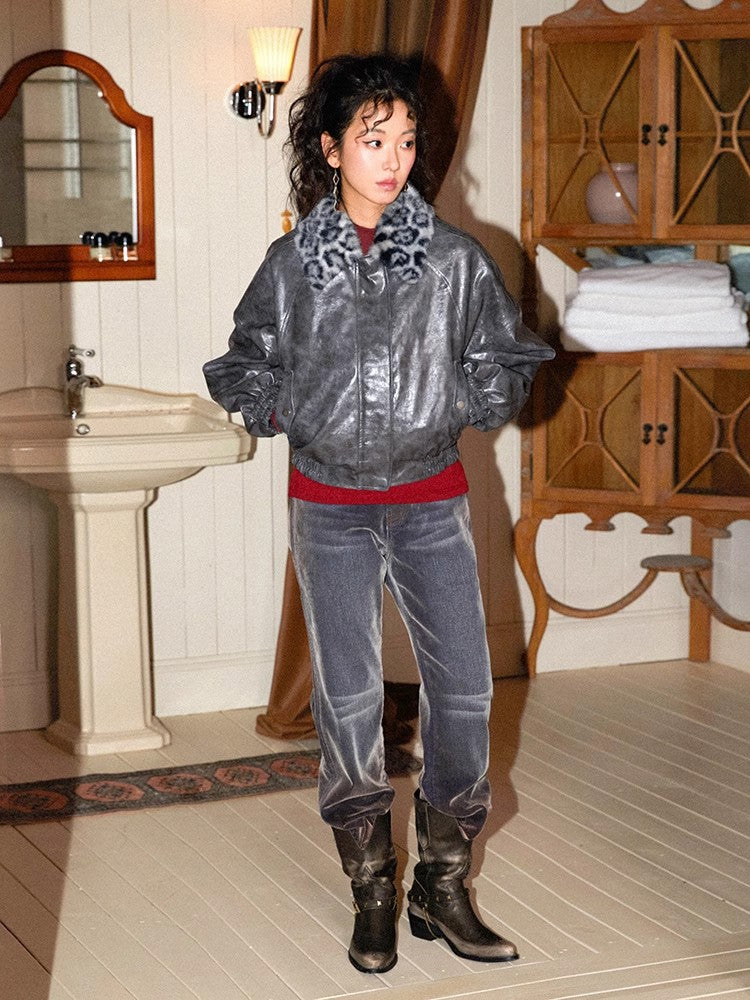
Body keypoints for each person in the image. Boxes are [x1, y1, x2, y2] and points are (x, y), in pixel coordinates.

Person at [204, 53, 554, 975]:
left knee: (466, 692)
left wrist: (467, 401)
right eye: (373, 140)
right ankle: (370, 889)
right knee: (350, 699)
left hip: (431, 502)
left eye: (405, 140)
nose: (394, 158)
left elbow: (506, 356)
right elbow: (243, 362)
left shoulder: (453, 260)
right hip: (329, 509)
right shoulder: (292, 265)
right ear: (330, 149)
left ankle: (442, 883)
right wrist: (286, 412)